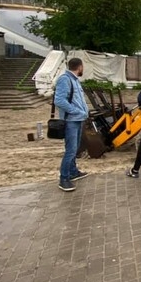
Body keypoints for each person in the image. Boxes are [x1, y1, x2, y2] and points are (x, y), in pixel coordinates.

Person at [54, 57, 90, 192]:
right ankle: (64, 178)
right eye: (82, 67)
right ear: (80, 67)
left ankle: (73, 172)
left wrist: (83, 112)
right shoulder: (65, 79)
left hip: (78, 119)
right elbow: (59, 101)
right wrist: (76, 111)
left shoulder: (75, 80)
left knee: (75, 149)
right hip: (71, 121)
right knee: (70, 150)